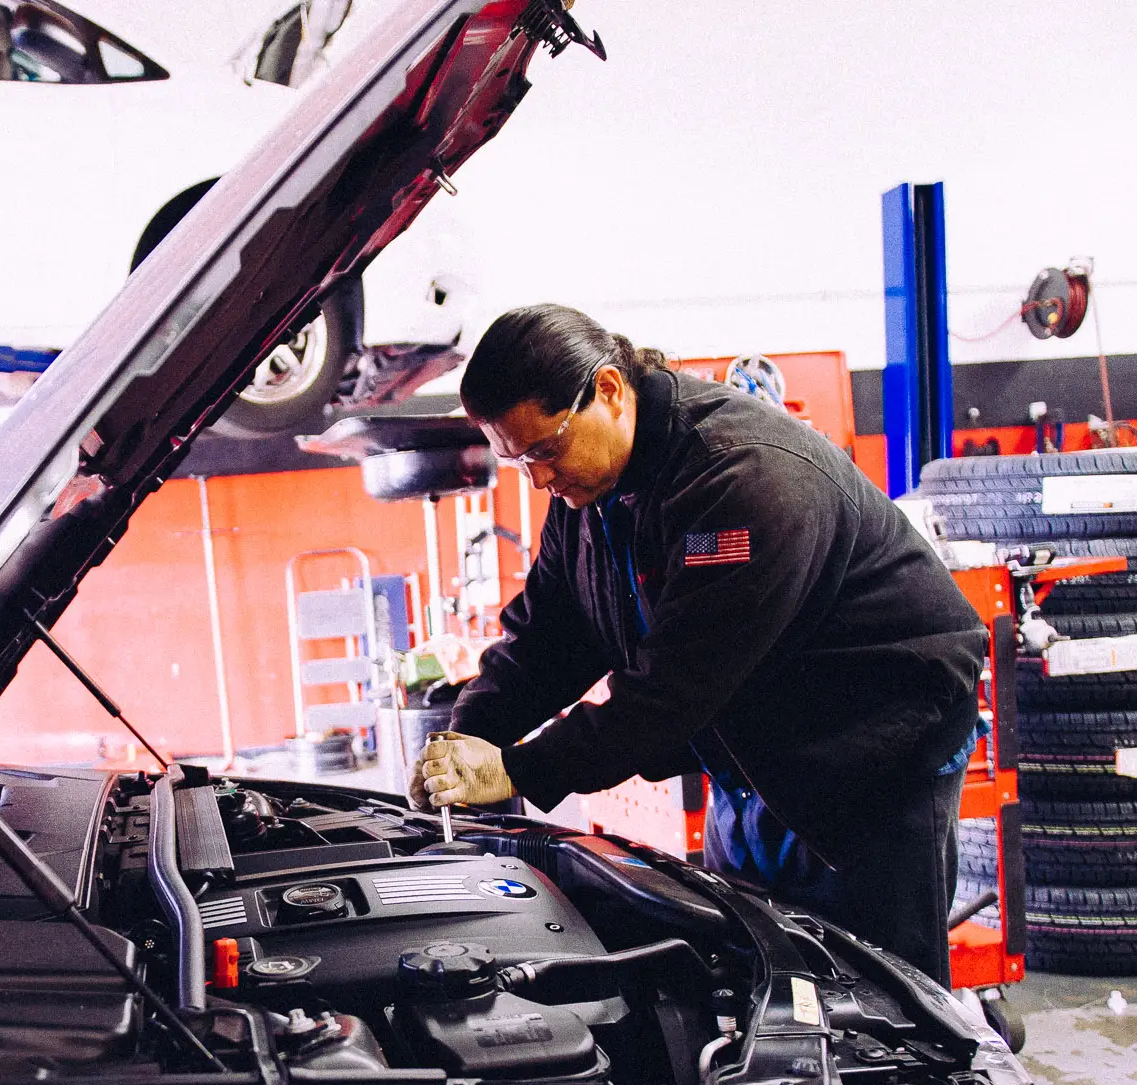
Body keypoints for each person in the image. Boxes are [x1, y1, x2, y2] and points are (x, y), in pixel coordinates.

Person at [411, 304, 987, 981]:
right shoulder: (589, 493)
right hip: (758, 748)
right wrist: (467, 736)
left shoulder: (744, 480)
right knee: (758, 971)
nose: (539, 479)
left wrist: (518, 770)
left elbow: (670, 692)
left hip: (873, 754)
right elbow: (549, 636)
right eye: (518, 462)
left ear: (609, 391)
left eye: (544, 451)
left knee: (880, 997)